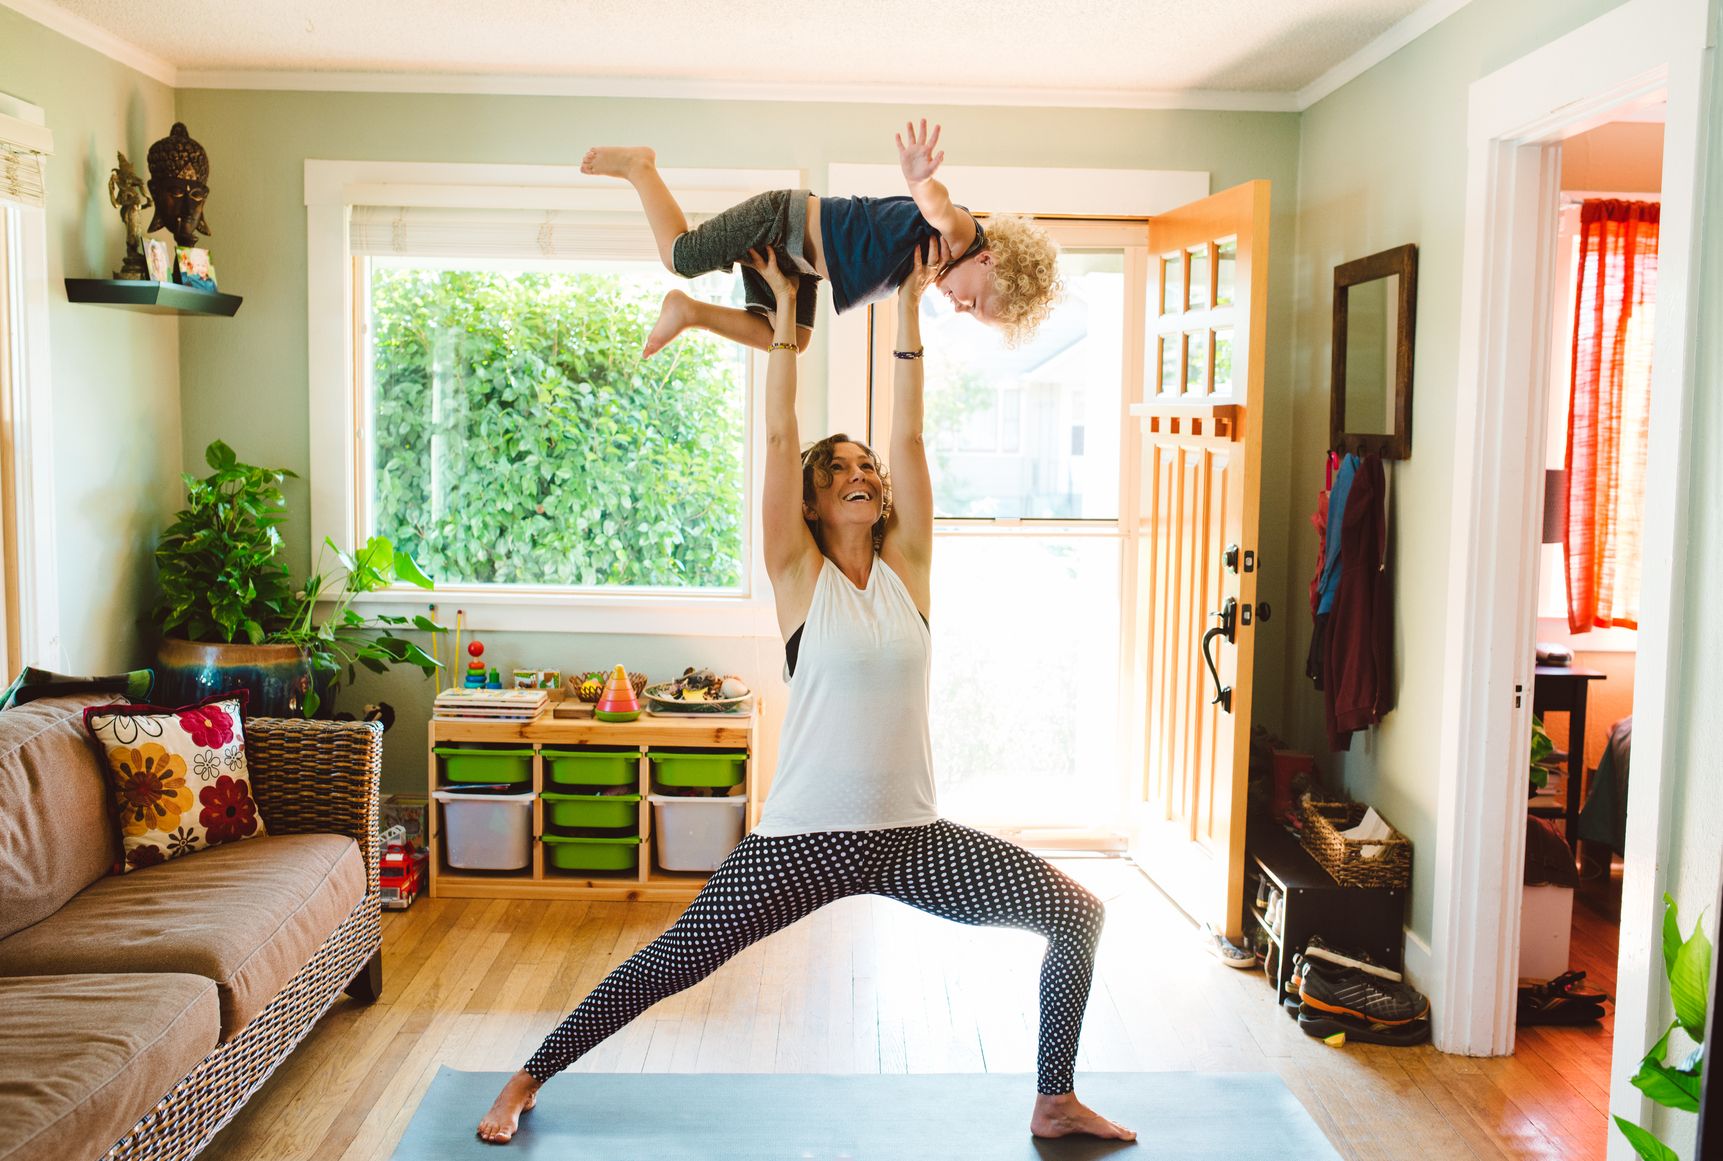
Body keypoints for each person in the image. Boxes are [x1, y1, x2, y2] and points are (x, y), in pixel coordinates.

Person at [476, 241, 1134, 1147]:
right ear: (813, 505)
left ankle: (1052, 1098)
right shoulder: (798, 577)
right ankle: (524, 1077)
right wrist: (784, 323)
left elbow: (909, 435)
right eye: (838, 474)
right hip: (800, 841)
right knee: (673, 961)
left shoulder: (909, 574)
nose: (860, 474)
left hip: (909, 838)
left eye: (866, 468)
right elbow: (781, 436)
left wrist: (906, 304)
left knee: (1075, 911)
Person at [579, 120, 1061, 357]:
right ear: (989, 261)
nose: (958, 308)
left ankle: (691, 312)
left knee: (790, 340)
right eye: (973, 305)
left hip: (799, 264)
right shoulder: (959, 233)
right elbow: (937, 203)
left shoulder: (931, 266)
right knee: (679, 255)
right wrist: (919, 180)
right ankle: (640, 167)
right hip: (780, 221)